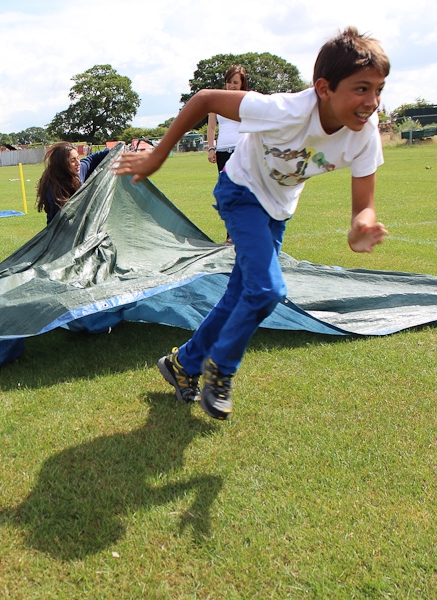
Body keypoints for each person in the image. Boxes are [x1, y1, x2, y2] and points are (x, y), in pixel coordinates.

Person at [113, 27, 389, 420]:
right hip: (241, 191)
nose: (372, 102)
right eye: (362, 89)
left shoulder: (366, 136)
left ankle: (182, 365)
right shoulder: (285, 110)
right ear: (324, 88)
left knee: (241, 293)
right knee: (267, 289)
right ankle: (220, 370)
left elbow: (364, 205)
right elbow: (205, 99)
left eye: (379, 90)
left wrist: (361, 225)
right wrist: (158, 155)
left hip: (278, 209)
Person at [207, 65, 249, 244]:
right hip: (223, 150)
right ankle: (231, 233)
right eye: (229, 82)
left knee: (242, 191)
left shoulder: (247, 100)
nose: (231, 86)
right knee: (226, 193)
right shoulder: (216, 100)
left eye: (235, 82)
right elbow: (211, 126)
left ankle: (242, 232)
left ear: (241, 84)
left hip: (241, 149)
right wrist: (211, 148)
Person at [36, 142, 109, 224]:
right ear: (62, 164)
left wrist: (117, 149)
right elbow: (60, 221)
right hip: (61, 232)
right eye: (72, 160)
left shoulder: (80, 170)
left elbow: (93, 158)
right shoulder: (54, 188)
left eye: (78, 158)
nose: (78, 163)